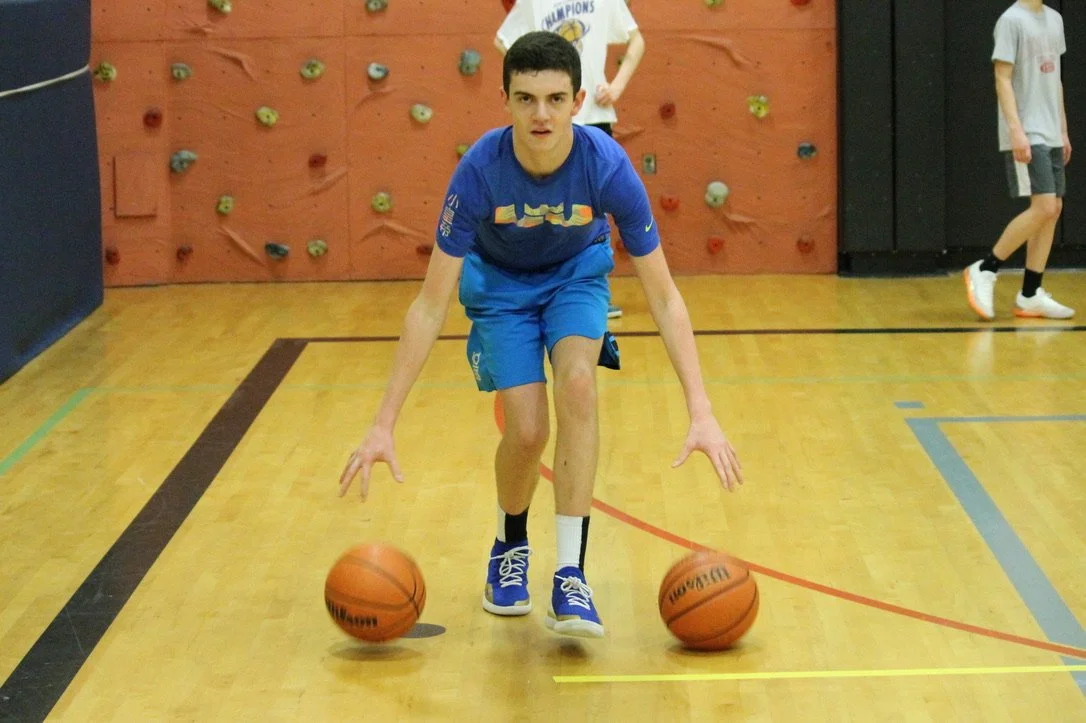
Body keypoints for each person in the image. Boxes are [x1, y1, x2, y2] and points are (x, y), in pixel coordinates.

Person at [338, 31, 742, 640]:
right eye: (525, 98)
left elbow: (663, 295)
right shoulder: (478, 173)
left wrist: (702, 409)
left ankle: (571, 574)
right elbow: (428, 305)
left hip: (576, 278)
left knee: (578, 383)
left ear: (579, 100)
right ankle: (510, 543)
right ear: (505, 100)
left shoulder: (607, 168)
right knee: (526, 428)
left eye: (555, 98)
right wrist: (383, 422)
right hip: (499, 288)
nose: (541, 114)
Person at [495, 0, 647, 319]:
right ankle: (540, 289)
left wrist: (617, 85)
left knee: (595, 209)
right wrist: (533, 87)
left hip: (593, 116)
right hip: (550, 116)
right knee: (546, 206)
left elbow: (637, 39)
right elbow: (504, 40)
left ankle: (592, 291)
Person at [964, 0, 1073, 320]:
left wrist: (1063, 130)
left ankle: (1030, 294)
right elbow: (1002, 78)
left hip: (1051, 130)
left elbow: (1056, 80)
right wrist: (1016, 131)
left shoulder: (1055, 20)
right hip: (1028, 129)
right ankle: (986, 267)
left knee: (1053, 210)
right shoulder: (1011, 20)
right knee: (1045, 207)